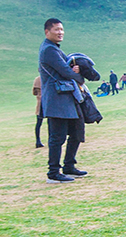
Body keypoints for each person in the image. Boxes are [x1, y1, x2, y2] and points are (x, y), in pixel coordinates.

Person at [38, 17, 93, 181]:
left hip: (65, 99)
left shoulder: (54, 48)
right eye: (56, 29)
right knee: (57, 137)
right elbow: (65, 71)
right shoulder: (49, 50)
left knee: (76, 132)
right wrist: (78, 74)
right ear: (47, 31)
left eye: (61, 29)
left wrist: (73, 69)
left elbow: (66, 69)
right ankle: (53, 173)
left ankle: (69, 166)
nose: (60, 32)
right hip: (56, 100)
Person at [32, 74, 45, 147]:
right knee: (51, 123)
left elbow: (34, 92)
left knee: (39, 123)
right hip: (48, 103)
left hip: (40, 103)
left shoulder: (37, 79)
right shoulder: (47, 78)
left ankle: (38, 140)